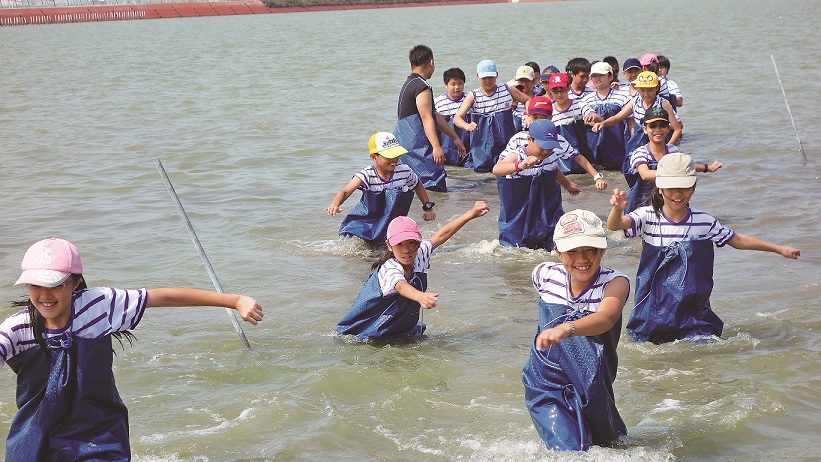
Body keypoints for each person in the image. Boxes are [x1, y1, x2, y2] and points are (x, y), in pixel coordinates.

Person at [1, 237, 263, 461]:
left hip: (98, 434)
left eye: (56, 285)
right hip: (37, 437)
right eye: (36, 285)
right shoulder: (17, 329)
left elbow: (165, 296)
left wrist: (234, 300)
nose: (45, 295)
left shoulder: (100, 306)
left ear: (76, 282)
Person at [607, 153, 800, 344]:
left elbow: (737, 240)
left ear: (693, 189)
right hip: (653, 310)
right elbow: (616, 225)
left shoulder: (703, 222)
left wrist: (778, 249)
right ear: (659, 189)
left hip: (693, 312)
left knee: (702, 347)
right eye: (671, 187)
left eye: (684, 187)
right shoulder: (648, 217)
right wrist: (617, 210)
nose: (677, 193)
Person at [522, 209, 630, 451]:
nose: (581, 259)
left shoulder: (615, 282)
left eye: (589, 250)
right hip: (546, 379)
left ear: (602, 250)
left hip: (593, 381)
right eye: (571, 252)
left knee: (612, 445)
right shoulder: (543, 274)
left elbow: (606, 318)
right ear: (558, 252)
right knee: (571, 449)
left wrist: (567, 328)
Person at [337, 201, 490, 340]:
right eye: (400, 244)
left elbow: (442, 234)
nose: (407, 250)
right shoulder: (389, 267)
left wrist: (471, 214)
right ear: (389, 245)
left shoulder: (419, 253)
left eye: (412, 243)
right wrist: (420, 296)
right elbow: (401, 286)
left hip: (398, 329)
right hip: (365, 333)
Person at [326, 132, 436, 245]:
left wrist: (427, 207)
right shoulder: (367, 175)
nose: (394, 159)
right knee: (358, 246)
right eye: (388, 156)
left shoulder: (404, 171)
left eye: (396, 155)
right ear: (374, 157)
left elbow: (417, 184)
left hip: (392, 221)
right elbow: (346, 191)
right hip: (369, 222)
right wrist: (335, 204)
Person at [492, 118, 582, 250]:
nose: (546, 151)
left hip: (546, 207)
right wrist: (520, 165)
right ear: (530, 140)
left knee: (554, 241)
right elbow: (497, 169)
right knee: (515, 246)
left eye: (550, 147)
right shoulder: (518, 155)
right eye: (543, 146)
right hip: (518, 209)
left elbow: (554, 170)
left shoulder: (550, 156)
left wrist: (567, 185)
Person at [620, 107, 721, 212]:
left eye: (662, 125)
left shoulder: (672, 150)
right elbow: (645, 174)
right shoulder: (641, 152)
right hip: (645, 200)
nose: (658, 129)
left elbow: (685, 166)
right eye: (653, 126)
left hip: (671, 197)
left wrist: (707, 168)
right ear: (645, 129)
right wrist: (673, 172)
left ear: (668, 129)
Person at [396, 44, 466, 191]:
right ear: (431, 63)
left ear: (411, 64)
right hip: (418, 146)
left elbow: (434, 116)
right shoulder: (422, 87)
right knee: (434, 186)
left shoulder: (408, 84)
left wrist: (455, 137)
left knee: (413, 188)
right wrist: (436, 147)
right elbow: (427, 118)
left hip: (404, 144)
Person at [591, 71, 682, 183]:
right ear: (637, 88)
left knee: (661, 173)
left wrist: (668, 147)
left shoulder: (663, 104)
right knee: (631, 170)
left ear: (657, 88)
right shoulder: (635, 101)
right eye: (642, 90)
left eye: (650, 90)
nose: (646, 94)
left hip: (658, 141)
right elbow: (617, 117)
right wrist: (603, 123)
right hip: (638, 141)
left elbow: (677, 129)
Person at [505, 95, 606, 190]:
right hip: (519, 188)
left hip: (545, 189)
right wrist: (518, 166)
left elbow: (576, 157)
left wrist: (597, 177)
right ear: (528, 117)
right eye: (535, 117)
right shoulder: (518, 139)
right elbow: (499, 167)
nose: (539, 122)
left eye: (543, 118)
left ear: (550, 118)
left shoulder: (558, 140)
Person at [453, 59, 531, 173]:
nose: (488, 81)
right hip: (482, 145)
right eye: (484, 78)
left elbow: (527, 100)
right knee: (483, 175)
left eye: (491, 77)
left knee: (507, 171)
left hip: (506, 141)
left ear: (497, 75)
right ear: (478, 77)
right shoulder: (473, 95)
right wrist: (467, 125)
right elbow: (457, 118)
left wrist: (528, 115)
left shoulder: (507, 89)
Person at [581, 62, 631, 170]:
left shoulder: (623, 96)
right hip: (593, 146)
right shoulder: (586, 99)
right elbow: (581, 124)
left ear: (610, 77)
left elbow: (630, 122)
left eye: (601, 75)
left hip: (617, 146)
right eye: (594, 76)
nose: (597, 78)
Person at [547, 72, 596, 174]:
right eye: (555, 91)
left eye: (562, 90)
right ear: (550, 91)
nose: (559, 94)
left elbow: (593, 115)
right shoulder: (549, 110)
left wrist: (591, 117)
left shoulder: (579, 103)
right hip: (561, 163)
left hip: (583, 158)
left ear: (568, 88)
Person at [433, 67, 471, 166]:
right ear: (446, 85)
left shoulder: (470, 99)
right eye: (453, 84)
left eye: (460, 83)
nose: (457, 87)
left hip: (467, 146)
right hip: (446, 148)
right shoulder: (438, 102)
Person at [509, 65, 537, 132]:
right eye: (521, 80)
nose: (524, 84)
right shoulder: (511, 98)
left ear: (533, 81)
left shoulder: (538, 99)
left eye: (527, 80)